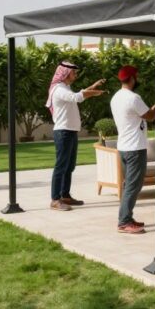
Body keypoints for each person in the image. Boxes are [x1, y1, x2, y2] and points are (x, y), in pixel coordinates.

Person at [46, 61, 106, 211]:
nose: (76, 75)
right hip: (63, 132)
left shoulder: (66, 88)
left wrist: (93, 87)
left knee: (69, 166)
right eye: (74, 72)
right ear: (65, 73)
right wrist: (93, 93)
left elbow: (77, 95)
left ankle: (65, 196)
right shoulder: (59, 89)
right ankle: (55, 199)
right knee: (61, 166)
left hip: (70, 131)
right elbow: (76, 98)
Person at [110, 65, 155, 235]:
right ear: (132, 78)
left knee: (128, 185)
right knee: (133, 186)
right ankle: (124, 222)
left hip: (124, 147)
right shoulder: (133, 98)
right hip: (135, 148)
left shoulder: (116, 97)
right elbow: (150, 116)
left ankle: (127, 217)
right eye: (136, 76)